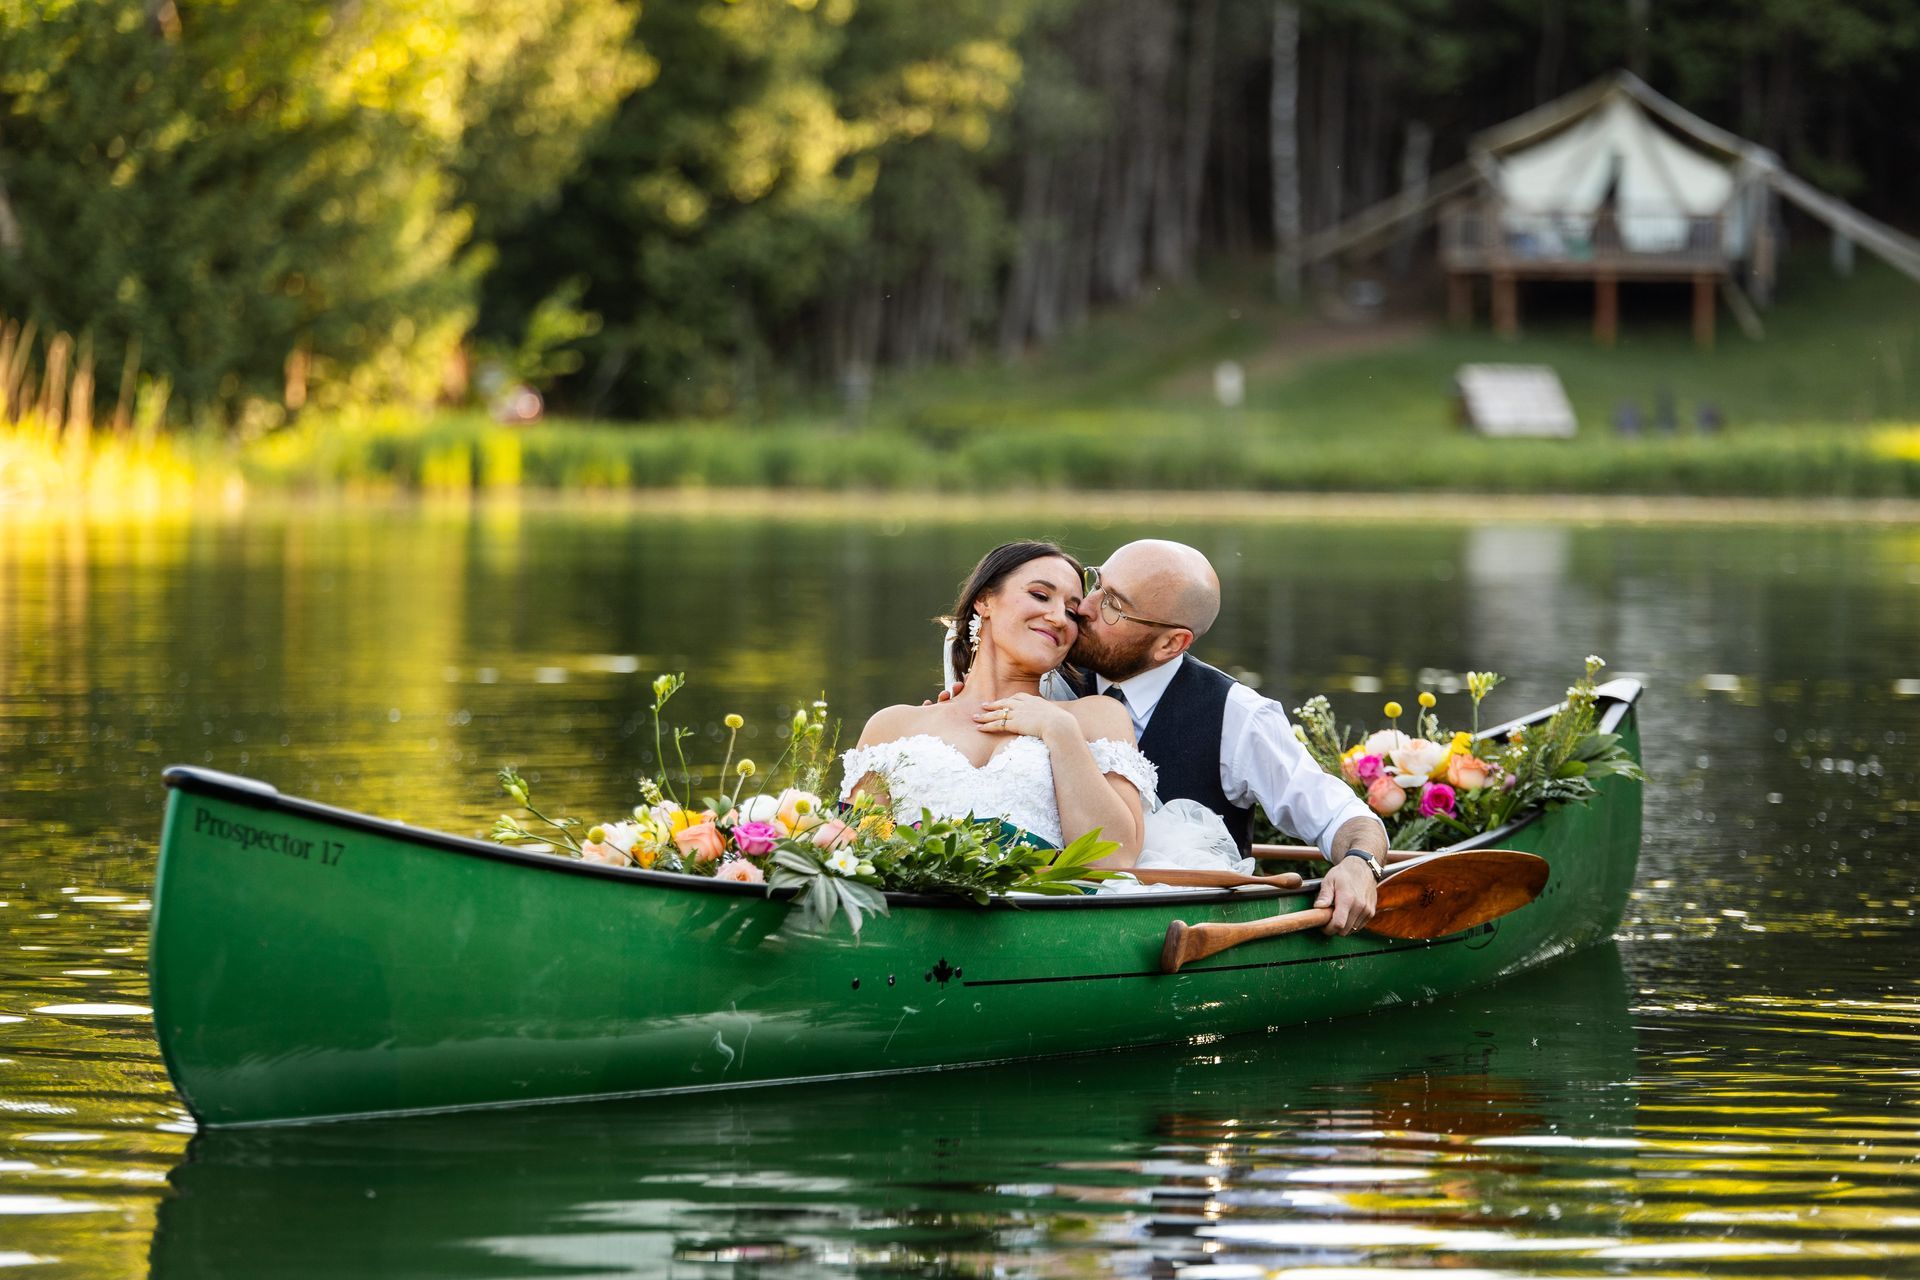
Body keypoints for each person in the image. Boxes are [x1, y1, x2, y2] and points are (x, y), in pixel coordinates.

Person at [1063, 540, 1390, 934]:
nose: (1084, 607)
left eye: (1113, 606)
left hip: (1179, 937)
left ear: (1171, 644)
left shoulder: (1239, 715)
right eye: (1095, 582)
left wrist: (1360, 864)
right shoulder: (1047, 677)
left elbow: (1343, 818)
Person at [841, 542, 1150, 868]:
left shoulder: (1097, 716)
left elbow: (1115, 859)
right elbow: (856, 857)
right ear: (985, 599)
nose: (1059, 618)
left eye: (1072, 612)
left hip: (1047, 914)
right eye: (1040, 595)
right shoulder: (893, 726)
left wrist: (1059, 731)